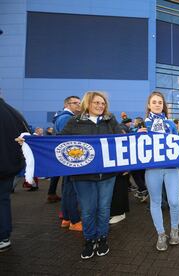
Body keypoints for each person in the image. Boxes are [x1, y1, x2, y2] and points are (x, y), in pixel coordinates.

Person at [60, 91, 122, 259]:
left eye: (103, 103)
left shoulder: (111, 121)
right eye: (96, 102)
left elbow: (123, 140)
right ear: (88, 103)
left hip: (107, 175)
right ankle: (89, 240)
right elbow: (58, 142)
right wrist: (29, 141)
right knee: (88, 210)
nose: (100, 106)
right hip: (82, 176)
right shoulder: (74, 121)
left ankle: (102, 238)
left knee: (104, 209)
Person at [139, 91, 179, 251]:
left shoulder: (170, 124)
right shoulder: (143, 124)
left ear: (163, 106)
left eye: (160, 102)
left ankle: (175, 230)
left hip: (171, 168)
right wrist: (137, 135)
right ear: (149, 105)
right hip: (153, 169)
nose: (157, 104)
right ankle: (161, 234)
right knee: (155, 201)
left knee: (174, 201)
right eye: (154, 102)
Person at [1, 96, 29, 252]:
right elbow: (27, 137)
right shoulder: (14, 113)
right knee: (3, 200)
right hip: (9, 166)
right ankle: (3, 236)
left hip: (8, 164)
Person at [52, 96, 82, 229]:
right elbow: (69, 139)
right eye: (75, 103)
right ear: (67, 104)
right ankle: (74, 221)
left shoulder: (61, 117)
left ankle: (66, 217)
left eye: (79, 103)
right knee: (71, 189)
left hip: (67, 158)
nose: (78, 105)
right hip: (72, 157)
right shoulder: (67, 118)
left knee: (67, 188)